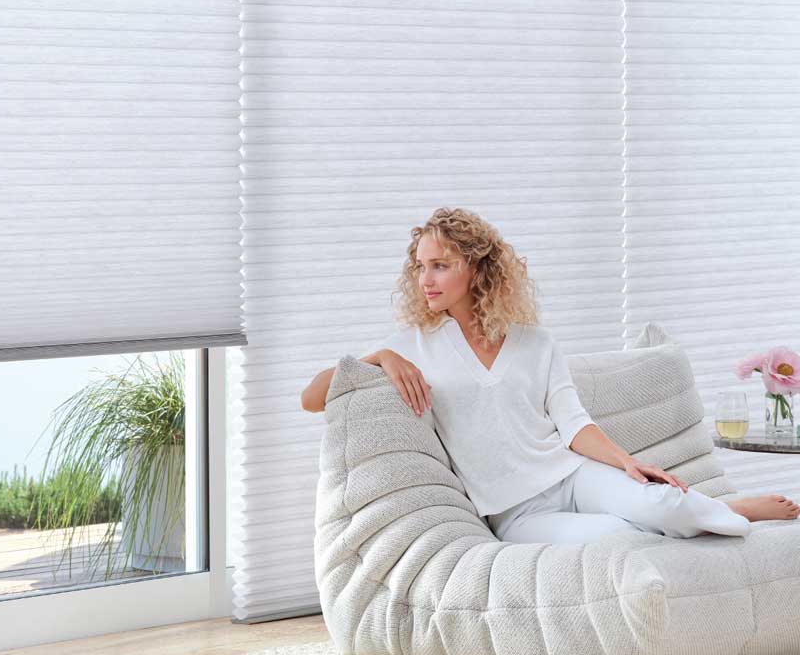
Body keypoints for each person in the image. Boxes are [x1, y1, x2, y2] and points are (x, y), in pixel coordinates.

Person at [301, 207, 800, 543]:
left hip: (571, 474)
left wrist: (626, 462)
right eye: (419, 267)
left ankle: (735, 511)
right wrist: (381, 359)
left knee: (665, 506)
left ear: (475, 269)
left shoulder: (534, 341)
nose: (424, 280)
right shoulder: (413, 346)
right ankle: (726, 515)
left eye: (439, 266)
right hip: (515, 512)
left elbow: (574, 423)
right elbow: (312, 396)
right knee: (619, 538)